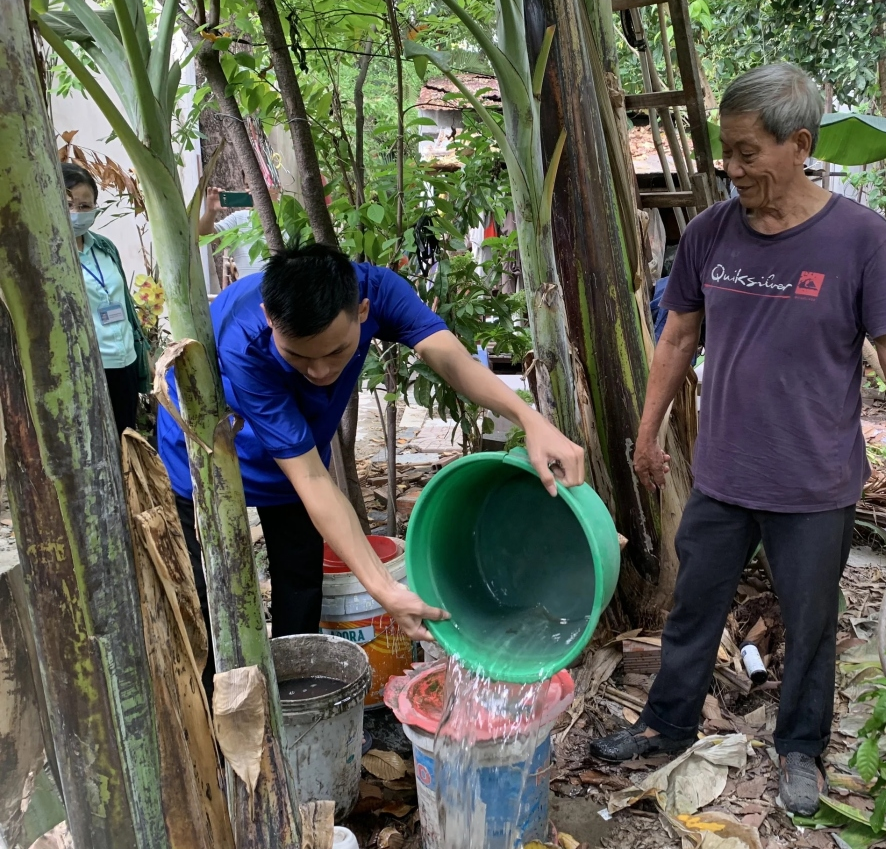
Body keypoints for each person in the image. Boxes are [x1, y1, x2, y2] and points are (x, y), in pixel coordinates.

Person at [588, 64, 886, 816]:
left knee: (811, 626)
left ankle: (800, 748)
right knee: (693, 612)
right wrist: (647, 434)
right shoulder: (710, 233)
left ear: (798, 144)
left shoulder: (861, 239)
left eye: (746, 153)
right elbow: (675, 338)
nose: (730, 169)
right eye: (725, 153)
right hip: (723, 475)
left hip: (814, 482)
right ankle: (666, 726)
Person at [157, 243, 585, 688]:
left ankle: (293, 698)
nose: (321, 371)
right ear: (269, 319)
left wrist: (530, 419)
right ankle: (209, 706)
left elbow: (450, 359)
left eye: (337, 352)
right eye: (299, 357)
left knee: (300, 576)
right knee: (206, 592)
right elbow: (308, 476)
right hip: (207, 456)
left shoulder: (378, 290)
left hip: (298, 451)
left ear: (362, 311)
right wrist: (383, 590)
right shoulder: (243, 342)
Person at [62, 162, 151, 433]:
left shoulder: (104, 247)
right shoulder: (52, 255)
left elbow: (123, 301)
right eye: (68, 204)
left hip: (124, 361)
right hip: (86, 367)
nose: (77, 213)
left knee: (126, 441)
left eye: (85, 206)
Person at [199, 185, 280, 278]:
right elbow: (204, 235)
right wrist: (211, 211)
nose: (250, 191)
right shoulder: (238, 219)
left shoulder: (290, 218)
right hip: (248, 289)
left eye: (260, 185)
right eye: (247, 186)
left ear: (278, 188)